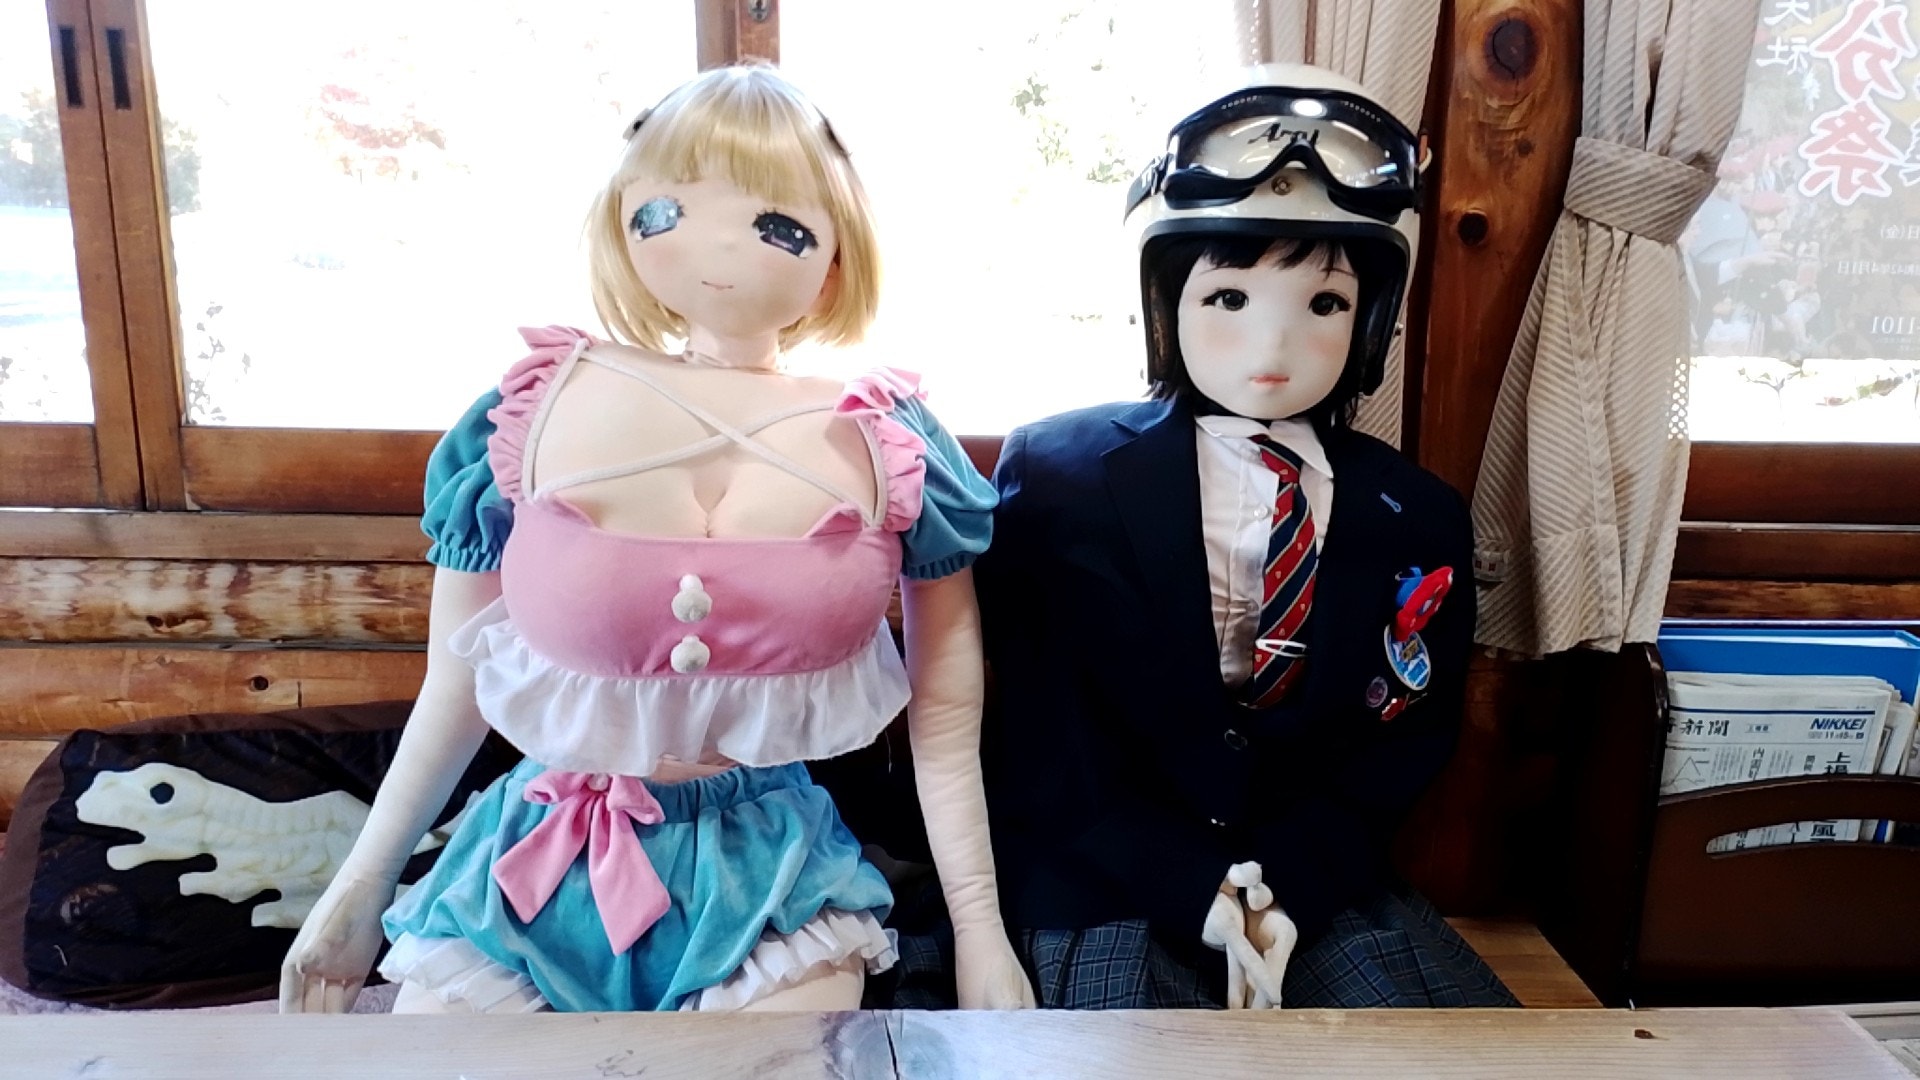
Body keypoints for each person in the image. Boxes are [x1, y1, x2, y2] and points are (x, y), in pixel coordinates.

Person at [280, 65, 1032, 1014]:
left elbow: (947, 714)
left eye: (777, 224)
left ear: (839, 251)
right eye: (667, 210)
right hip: (530, 865)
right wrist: (357, 889)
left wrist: (980, 931)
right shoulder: (527, 412)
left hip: (770, 886)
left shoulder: (893, 440)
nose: (718, 246)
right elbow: (457, 681)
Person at [974, 63, 1517, 1009]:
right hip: (1102, 876)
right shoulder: (1059, 474)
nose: (1273, 350)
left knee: (1440, 1057)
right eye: (1228, 298)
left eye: (1325, 304)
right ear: (1163, 302)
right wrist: (1191, 886)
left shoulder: (1419, 512)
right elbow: (1031, 726)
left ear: (1372, 319)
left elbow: (1406, 737)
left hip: (1316, 887)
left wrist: (1288, 886)